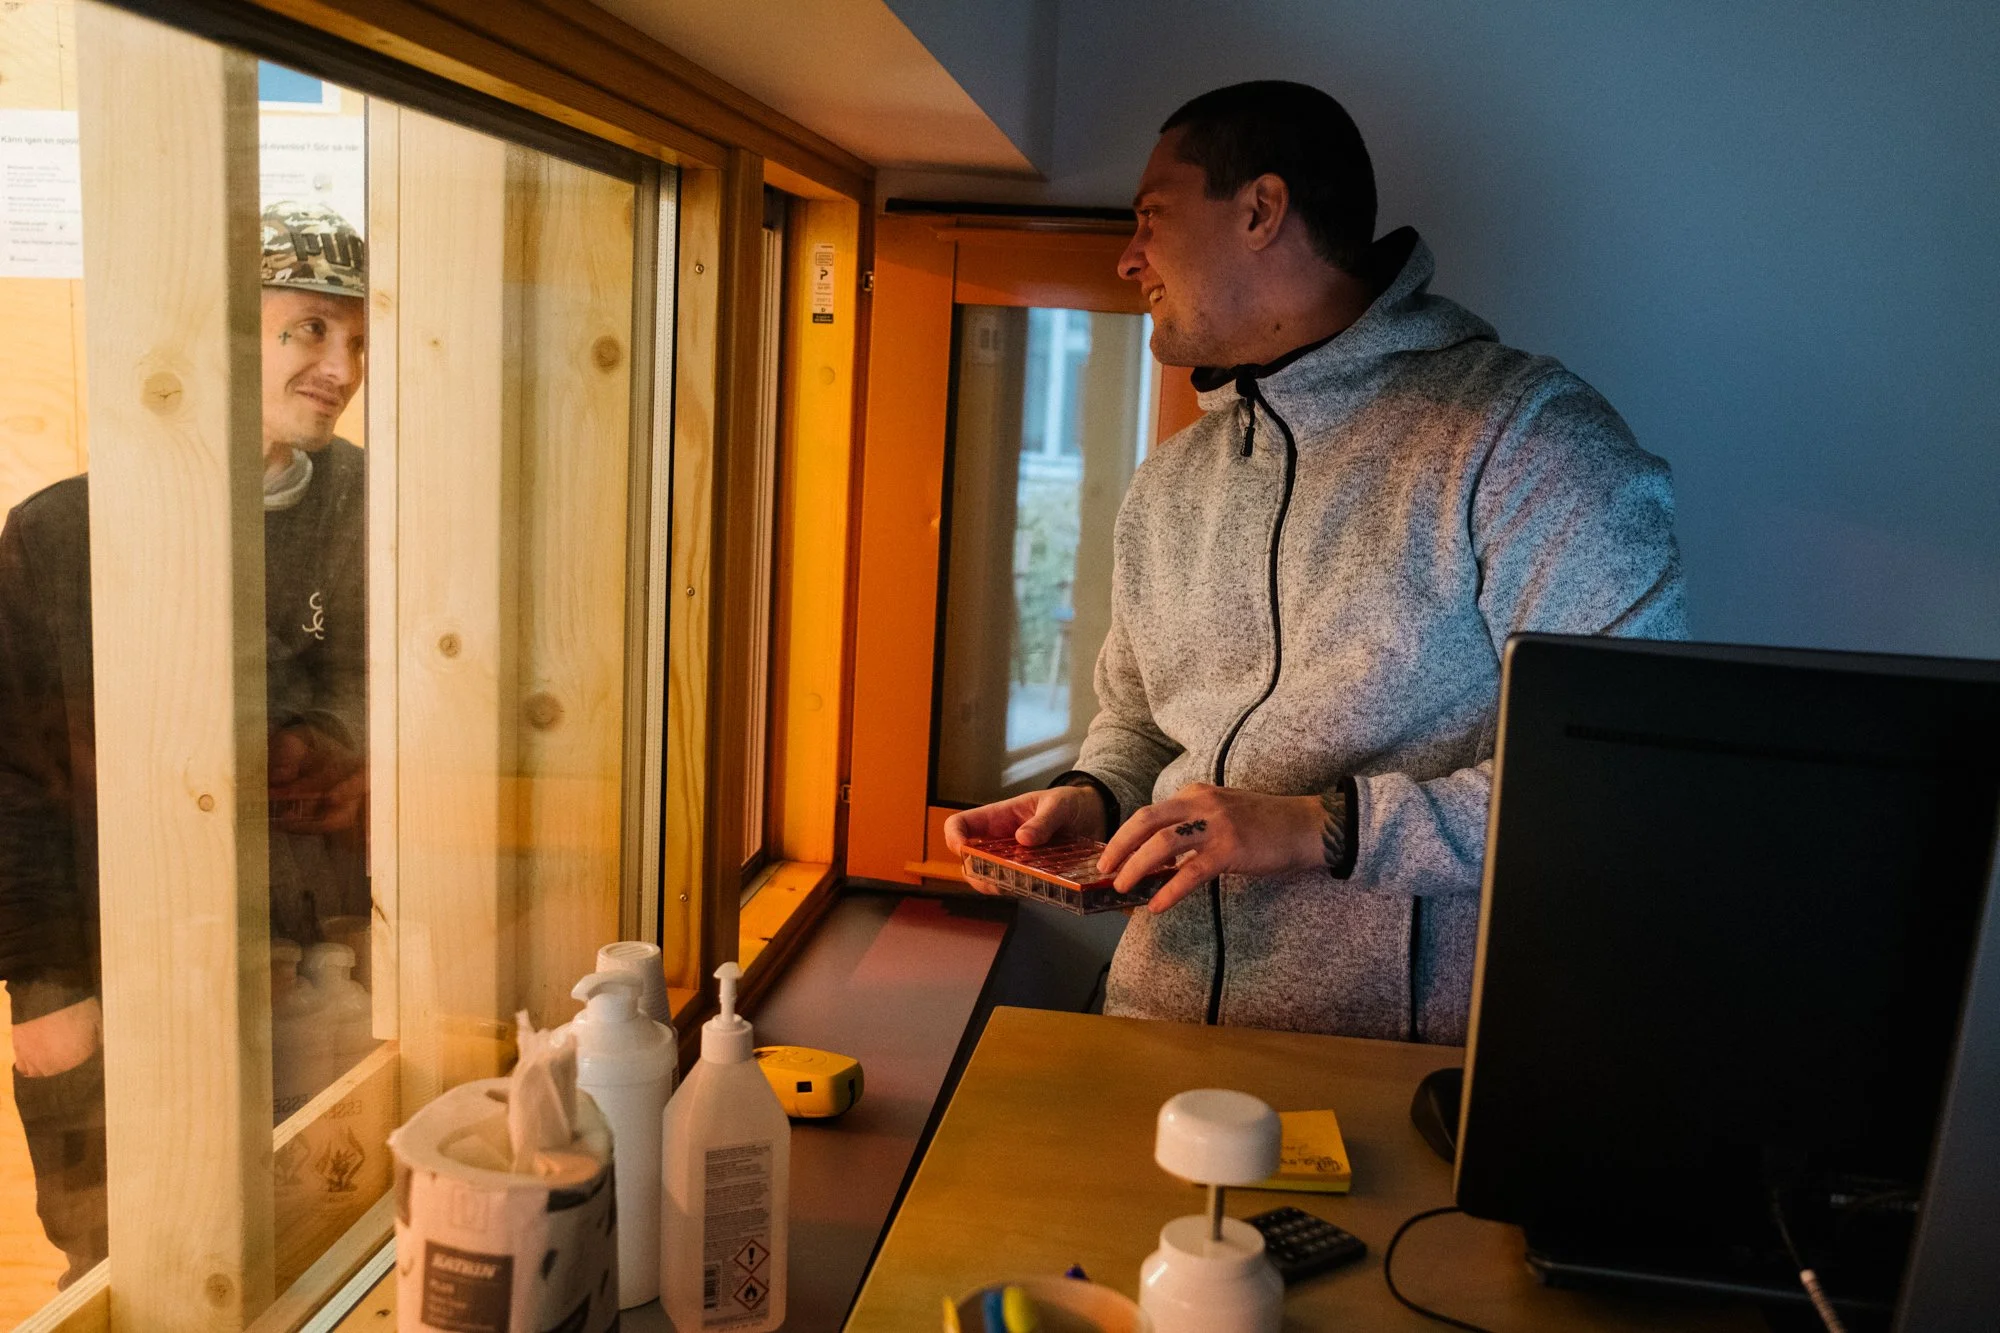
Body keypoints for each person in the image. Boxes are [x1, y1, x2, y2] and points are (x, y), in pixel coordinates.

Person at [944, 81, 1685, 1043]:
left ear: (1260, 210)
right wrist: (1089, 801)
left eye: (1151, 219)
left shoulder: (1529, 442)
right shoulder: (1169, 484)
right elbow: (1137, 723)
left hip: (1392, 1067)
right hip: (1152, 1032)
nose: (1128, 259)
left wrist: (1314, 827)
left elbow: (1618, 777)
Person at [0, 201, 369, 1283]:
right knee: (120, 1265)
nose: (338, 367)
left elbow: (363, 740)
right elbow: (13, 780)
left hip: (321, 974)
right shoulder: (62, 532)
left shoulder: (373, 508)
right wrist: (44, 989)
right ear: (217, 329)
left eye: (354, 339)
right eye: (306, 328)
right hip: (118, 979)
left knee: (317, 1254)